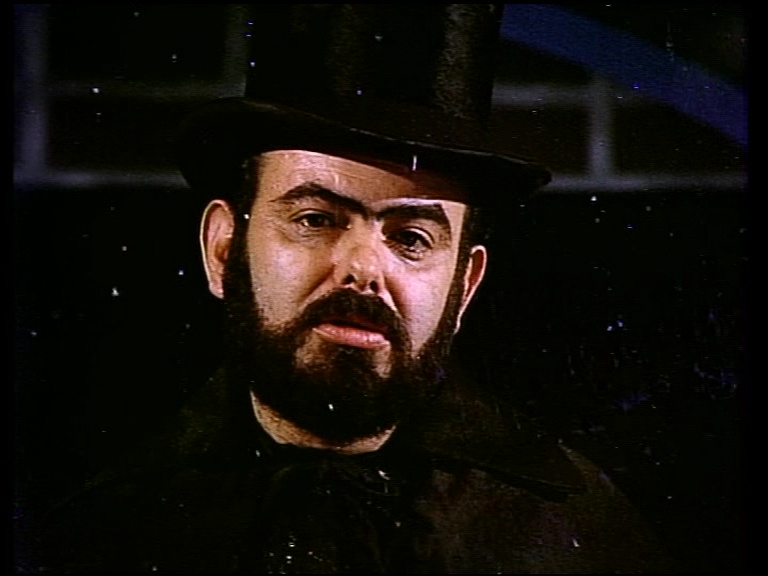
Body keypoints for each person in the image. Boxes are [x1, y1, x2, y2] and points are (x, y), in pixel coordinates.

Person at [31, 5, 670, 573]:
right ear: (224, 249)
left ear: (466, 284)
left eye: (411, 238)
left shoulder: (577, 536)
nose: (363, 269)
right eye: (315, 220)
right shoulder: (95, 532)